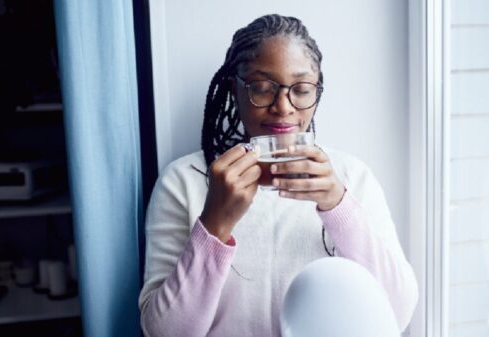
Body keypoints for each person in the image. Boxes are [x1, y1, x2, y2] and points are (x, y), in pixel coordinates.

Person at [138, 14, 418, 337]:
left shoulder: (352, 177)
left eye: (300, 89)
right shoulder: (184, 181)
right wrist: (213, 224)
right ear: (236, 90)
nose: (283, 107)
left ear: (317, 92)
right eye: (262, 87)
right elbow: (163, 333)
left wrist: (338, 207)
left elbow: (397, 313)